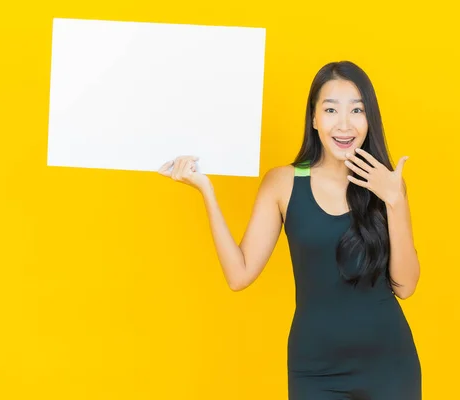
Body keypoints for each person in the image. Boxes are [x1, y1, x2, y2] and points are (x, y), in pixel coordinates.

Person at [158, 61, 422, 400]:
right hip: (314, 370)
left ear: (369, 119)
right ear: (314, 119)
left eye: (357, 110)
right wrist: (206, 191)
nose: (344, 124)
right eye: (330, 110)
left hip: (390, 366)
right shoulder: (282, 183)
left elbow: (406, 286)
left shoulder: (386, 184)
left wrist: (395, 200)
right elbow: (239, 276)